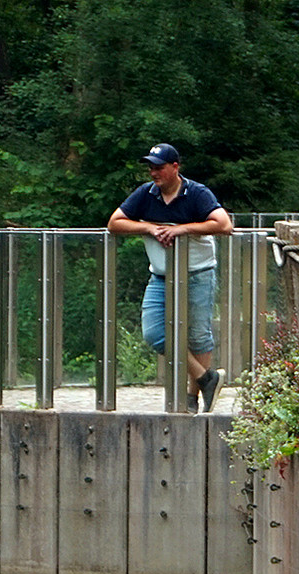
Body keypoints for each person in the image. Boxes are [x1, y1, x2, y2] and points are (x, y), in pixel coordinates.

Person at [107, 143, 235, 412]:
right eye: (151, 167)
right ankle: (206, 378)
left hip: (197, 274)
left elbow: (224, 225)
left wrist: (182, 230)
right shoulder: (146, 194)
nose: (154, 172)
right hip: (160, 277)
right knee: (155, 333)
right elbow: (114, 223)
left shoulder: (196, 193)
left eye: (159, 167)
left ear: (175, 167)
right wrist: (149, 227)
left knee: (198, 335)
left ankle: (192, 397)